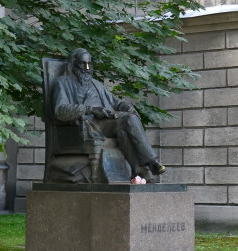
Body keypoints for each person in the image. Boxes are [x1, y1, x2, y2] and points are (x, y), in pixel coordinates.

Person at [51, 48, 165, 179]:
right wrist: (89, 109)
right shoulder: (62, 83)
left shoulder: (96, 84)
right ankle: (151, 162)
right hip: (88, 125)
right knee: (128, 120)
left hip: (106, 121)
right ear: (73, 64)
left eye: (89, 64)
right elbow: (60, 110)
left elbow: (116, 102)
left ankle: (141, 172)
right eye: (83, 64)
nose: (87, 68)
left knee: (124, 130)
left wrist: (126, 106)